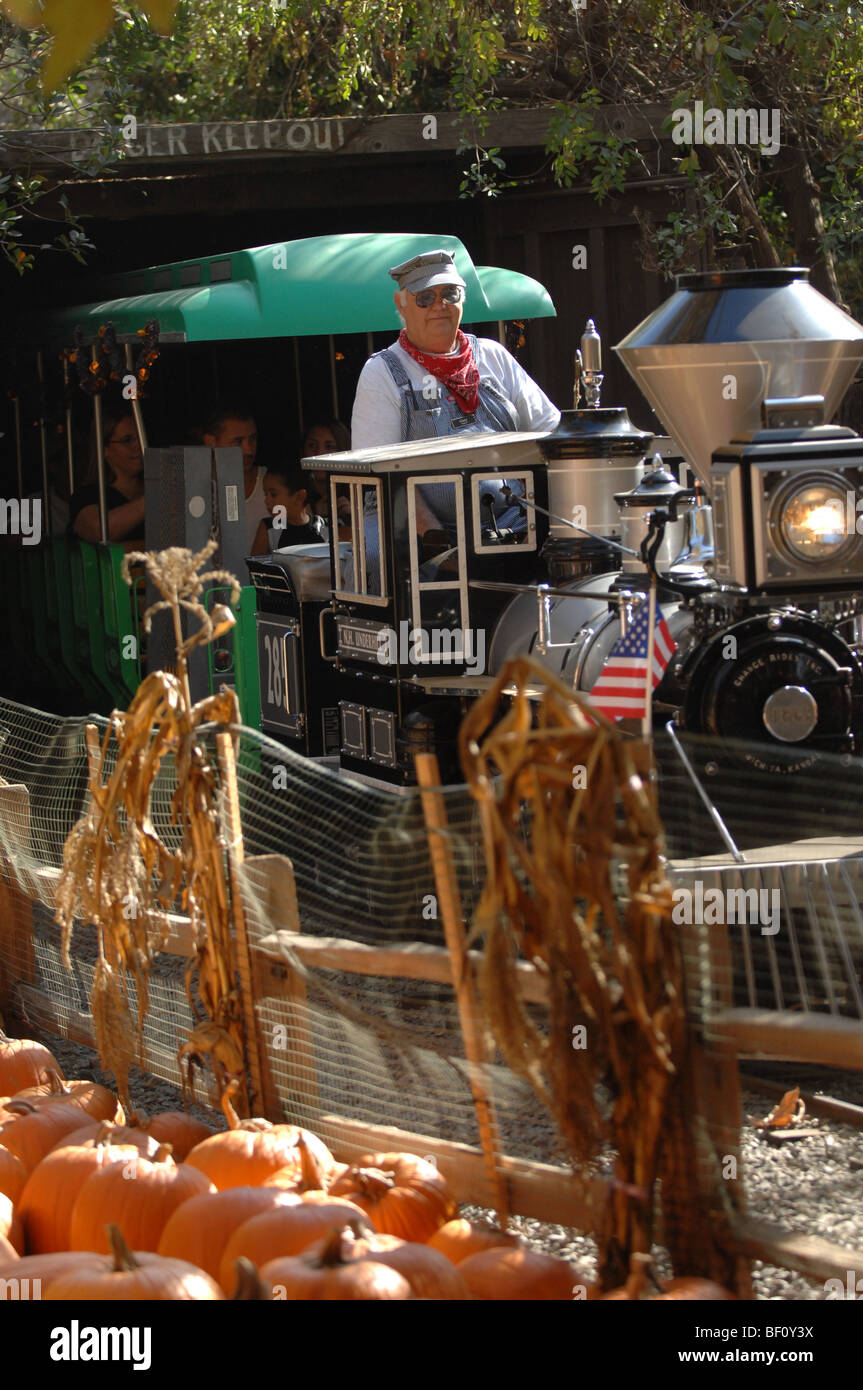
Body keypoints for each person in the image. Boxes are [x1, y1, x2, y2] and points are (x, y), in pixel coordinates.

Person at [350, 248, 560, 451]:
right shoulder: (382, 373)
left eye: (450, 294)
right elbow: (375, 469)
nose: (439, 305)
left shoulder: (493, 356)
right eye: (425, 298)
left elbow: (551, 431)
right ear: (401, 304)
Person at [69, 410, 145, 544]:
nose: (138, 445)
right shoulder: (88, 495)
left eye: (140, 437)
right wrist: (154, 498)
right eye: (127, 440)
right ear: (105, 449)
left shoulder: (152, 486)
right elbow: (99, 531)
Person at [201, 402, 268, 552]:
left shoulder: (273, 485)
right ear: (210, 441)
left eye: (253, 439)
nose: (248, 450)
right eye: (238, 441)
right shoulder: (196, 491)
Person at [251, 465, 328, 555]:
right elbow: (256, 567)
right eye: (265, 494)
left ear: (300, 496)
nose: (266, 500)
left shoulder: (324, 526)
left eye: (273, 494)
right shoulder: (269, 529)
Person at [302, 418, 351, 523]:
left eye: (329, 447)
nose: (319, 453)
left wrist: (354, 519)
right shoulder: (294, 496)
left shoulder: (359, 491)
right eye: (312, 445)